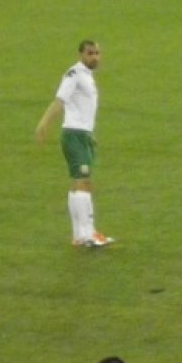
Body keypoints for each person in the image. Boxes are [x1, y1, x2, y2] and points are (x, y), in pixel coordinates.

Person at [35, 40, 114, 248]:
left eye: (97, 53)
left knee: (78, 182)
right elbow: (60, 100)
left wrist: (90, 134)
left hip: (83, 135)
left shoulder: (87, 76)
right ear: (81, 54)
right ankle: (88, 233)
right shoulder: (74, 74)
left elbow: (83, 108)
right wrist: (44, 123)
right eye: (90, 53)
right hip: (74, 135)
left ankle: (79, 235)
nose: (95, 57)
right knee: (83, 181)